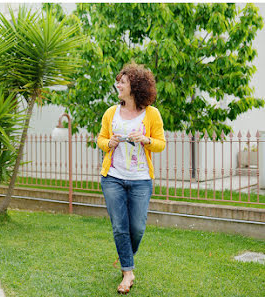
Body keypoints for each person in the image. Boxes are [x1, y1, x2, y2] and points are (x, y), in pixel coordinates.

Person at [97, 63, 165, 294]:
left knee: (136, 227)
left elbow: (161, 144)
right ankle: (128, 272)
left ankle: (125, 256)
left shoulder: (151, 114)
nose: (118, 85)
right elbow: (101, 140)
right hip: (113, 177)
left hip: (141, 180)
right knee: (119, 226)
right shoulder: (110, 113)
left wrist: (145, 140)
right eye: (118, 81)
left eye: (122, 82)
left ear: (134, 87)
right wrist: (109, 143)